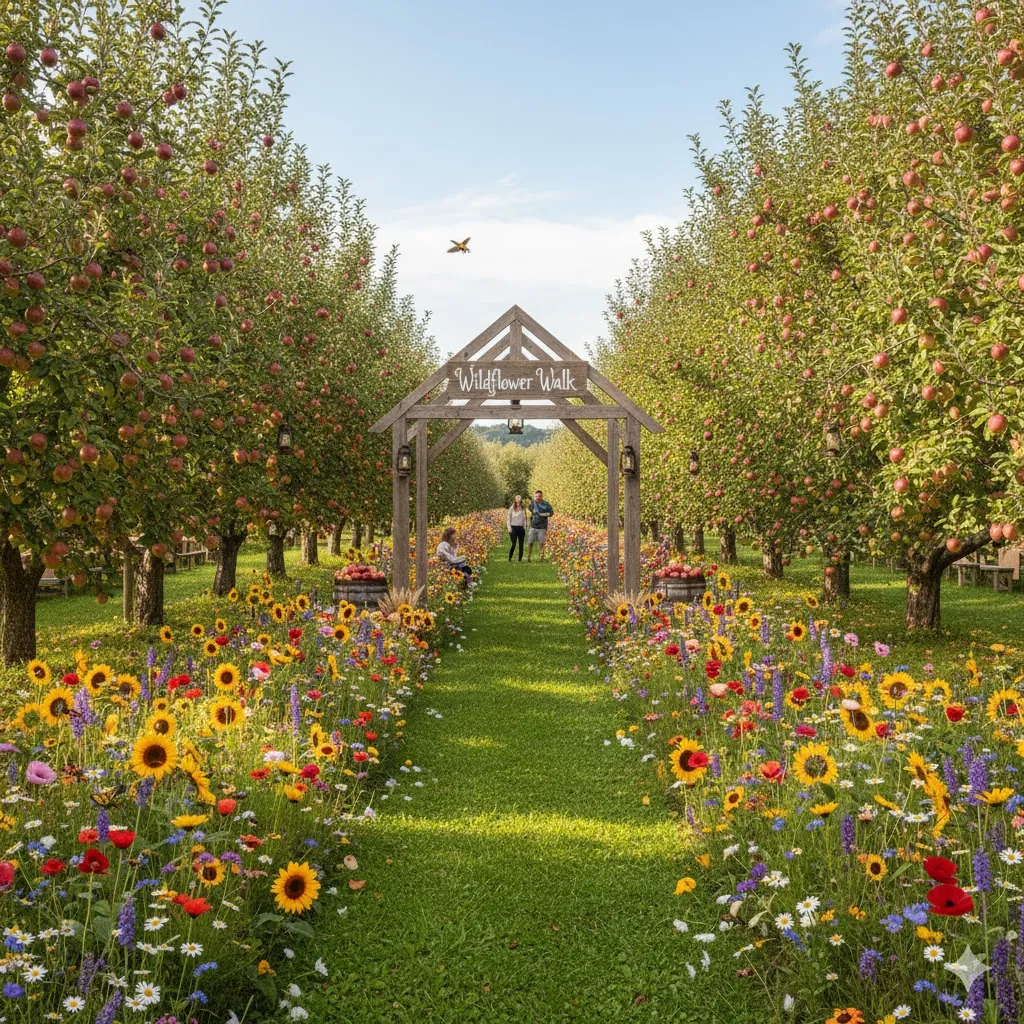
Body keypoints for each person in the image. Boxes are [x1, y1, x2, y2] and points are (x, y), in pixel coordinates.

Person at [527, 489, 553, 562]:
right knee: (530, 542)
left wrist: (544, 514)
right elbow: (529, 508)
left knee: (541, 543)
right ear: (534, 497)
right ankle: (528, 557)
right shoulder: (532, 504)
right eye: (536, 496)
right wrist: (533, 502)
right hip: (533, 526)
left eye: (539, 496)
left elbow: (551, 513)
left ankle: (541, 558)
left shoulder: (546, 504)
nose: (537, 497)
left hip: (542, 527)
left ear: (541, 496)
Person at [506, 495, 527, 562]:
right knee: (513, 544)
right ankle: (510, 558)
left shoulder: (523, 508)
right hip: (513, 528)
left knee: (521, 544)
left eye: (519, 498)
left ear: (521, 500)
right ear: (515, 499)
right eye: (517, 498)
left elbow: (524, 519)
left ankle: (520, 559)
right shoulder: (511, 508)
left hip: (521, 528)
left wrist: (525, 527)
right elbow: (508, 518)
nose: (518, 499)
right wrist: (509, 527)